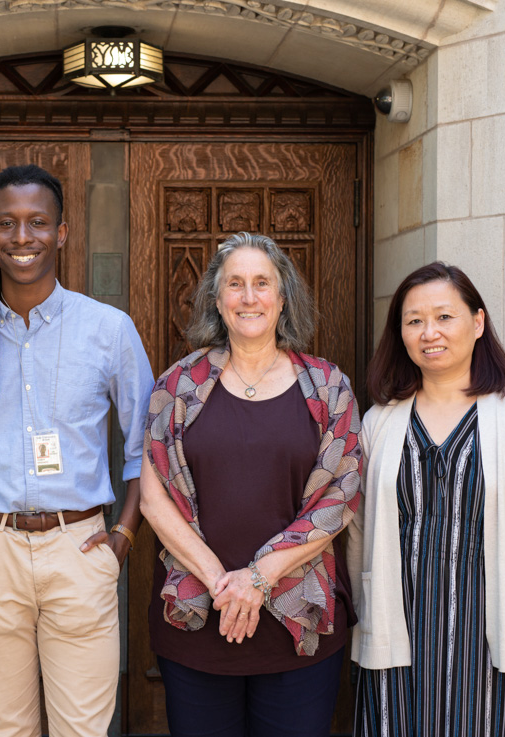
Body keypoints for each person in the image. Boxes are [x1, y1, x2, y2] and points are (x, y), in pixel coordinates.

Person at [0, 164, 154, 737]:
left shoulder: (109, 330)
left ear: (61, 233)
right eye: (7, 223)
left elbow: (146, 447)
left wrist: (124, 538)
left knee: (83, 732)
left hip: (80, 548)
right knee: (8, 731)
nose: (23, 237)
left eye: (38, 222)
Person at [141, 232, 363, 737]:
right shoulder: (176, 388)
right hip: (200, 614)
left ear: (283, 298)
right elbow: (154, 500)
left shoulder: (328, 388)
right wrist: (227, 584)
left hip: (298, 621)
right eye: (234, 284)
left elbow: (340, 497)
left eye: (262, 283)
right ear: (217, 301)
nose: (248, 297)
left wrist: (257, 580)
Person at [349, 262, 505, 735]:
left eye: (444, 317)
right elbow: (359, 533)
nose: (430, 332)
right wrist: (366, 623)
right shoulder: (379, 423)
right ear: (401, 333)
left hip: (490, 641)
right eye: (414, 321)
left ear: (478, 322)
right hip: (396, 633)